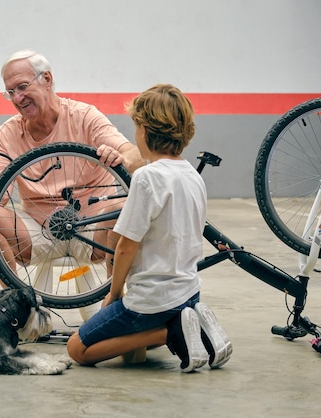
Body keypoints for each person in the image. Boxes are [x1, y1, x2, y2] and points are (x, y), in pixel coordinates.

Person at [0, 50, 144, 286]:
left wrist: (119, 156)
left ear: (46, 79)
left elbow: (135, 155)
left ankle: (114, 299)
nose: (17, 98)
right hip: (38, 231)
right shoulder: (9, 132)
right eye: (10, 92)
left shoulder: (84, 116)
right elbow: (0, 197)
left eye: (23, 87)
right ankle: (17, 302)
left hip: (91, 228)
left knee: (123, 207)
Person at [66, 84, 232, 372]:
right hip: (189, 293)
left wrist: (114, 293)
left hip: (150, 300)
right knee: (139, 327)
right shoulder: (194, 176)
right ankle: (188, 323)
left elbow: (126, 245)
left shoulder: (146, 178)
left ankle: (170, 333)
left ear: (143, 130)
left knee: (78, 350)